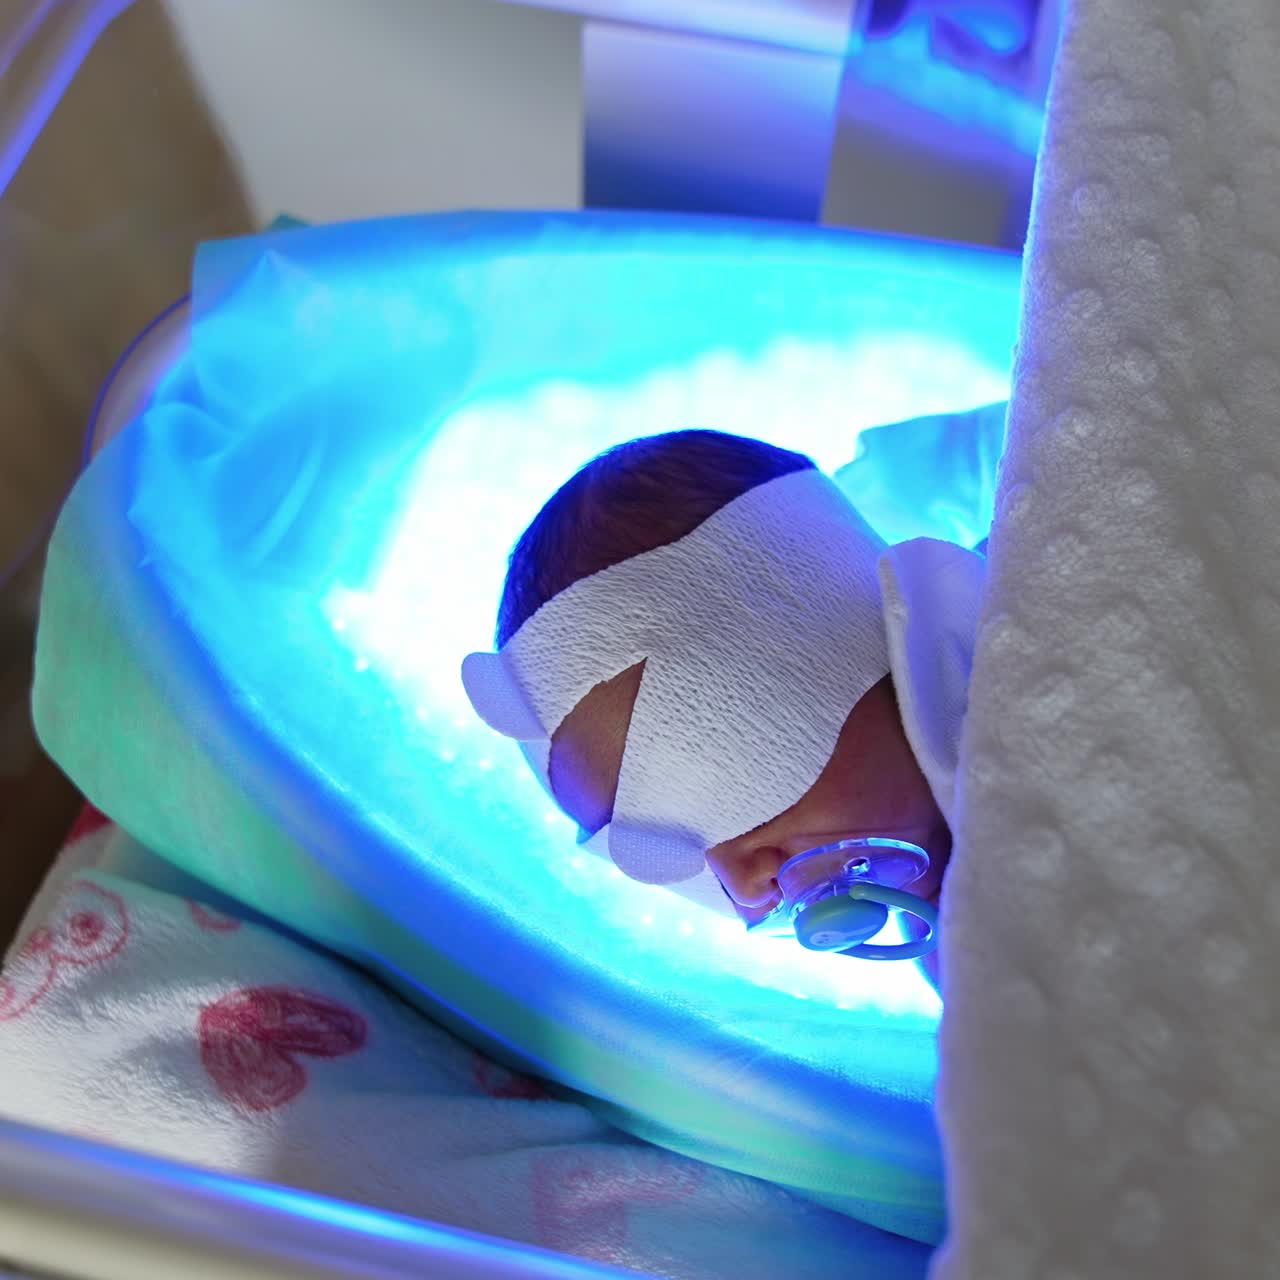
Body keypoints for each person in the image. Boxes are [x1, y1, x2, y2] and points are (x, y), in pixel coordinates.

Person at [468, 429, 986, 987]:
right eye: (666, 856)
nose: (743, 888)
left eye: (725, 786)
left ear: (841, 631)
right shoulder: (955, 947)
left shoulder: (1033, 618)